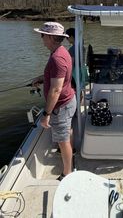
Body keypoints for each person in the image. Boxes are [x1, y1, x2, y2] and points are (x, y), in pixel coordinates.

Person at [32, 22, 76, 181]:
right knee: (67, 132)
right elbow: (58, 79)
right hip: (69, 100)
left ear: (50, 37)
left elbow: (56, 90)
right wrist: (42, 79)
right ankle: (71, 154)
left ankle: (67, 173)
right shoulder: (62, 51)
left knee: (63, 141)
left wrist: (46, 114)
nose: (41, 38)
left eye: (42, 35)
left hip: (61, 106)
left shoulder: (57, 58)